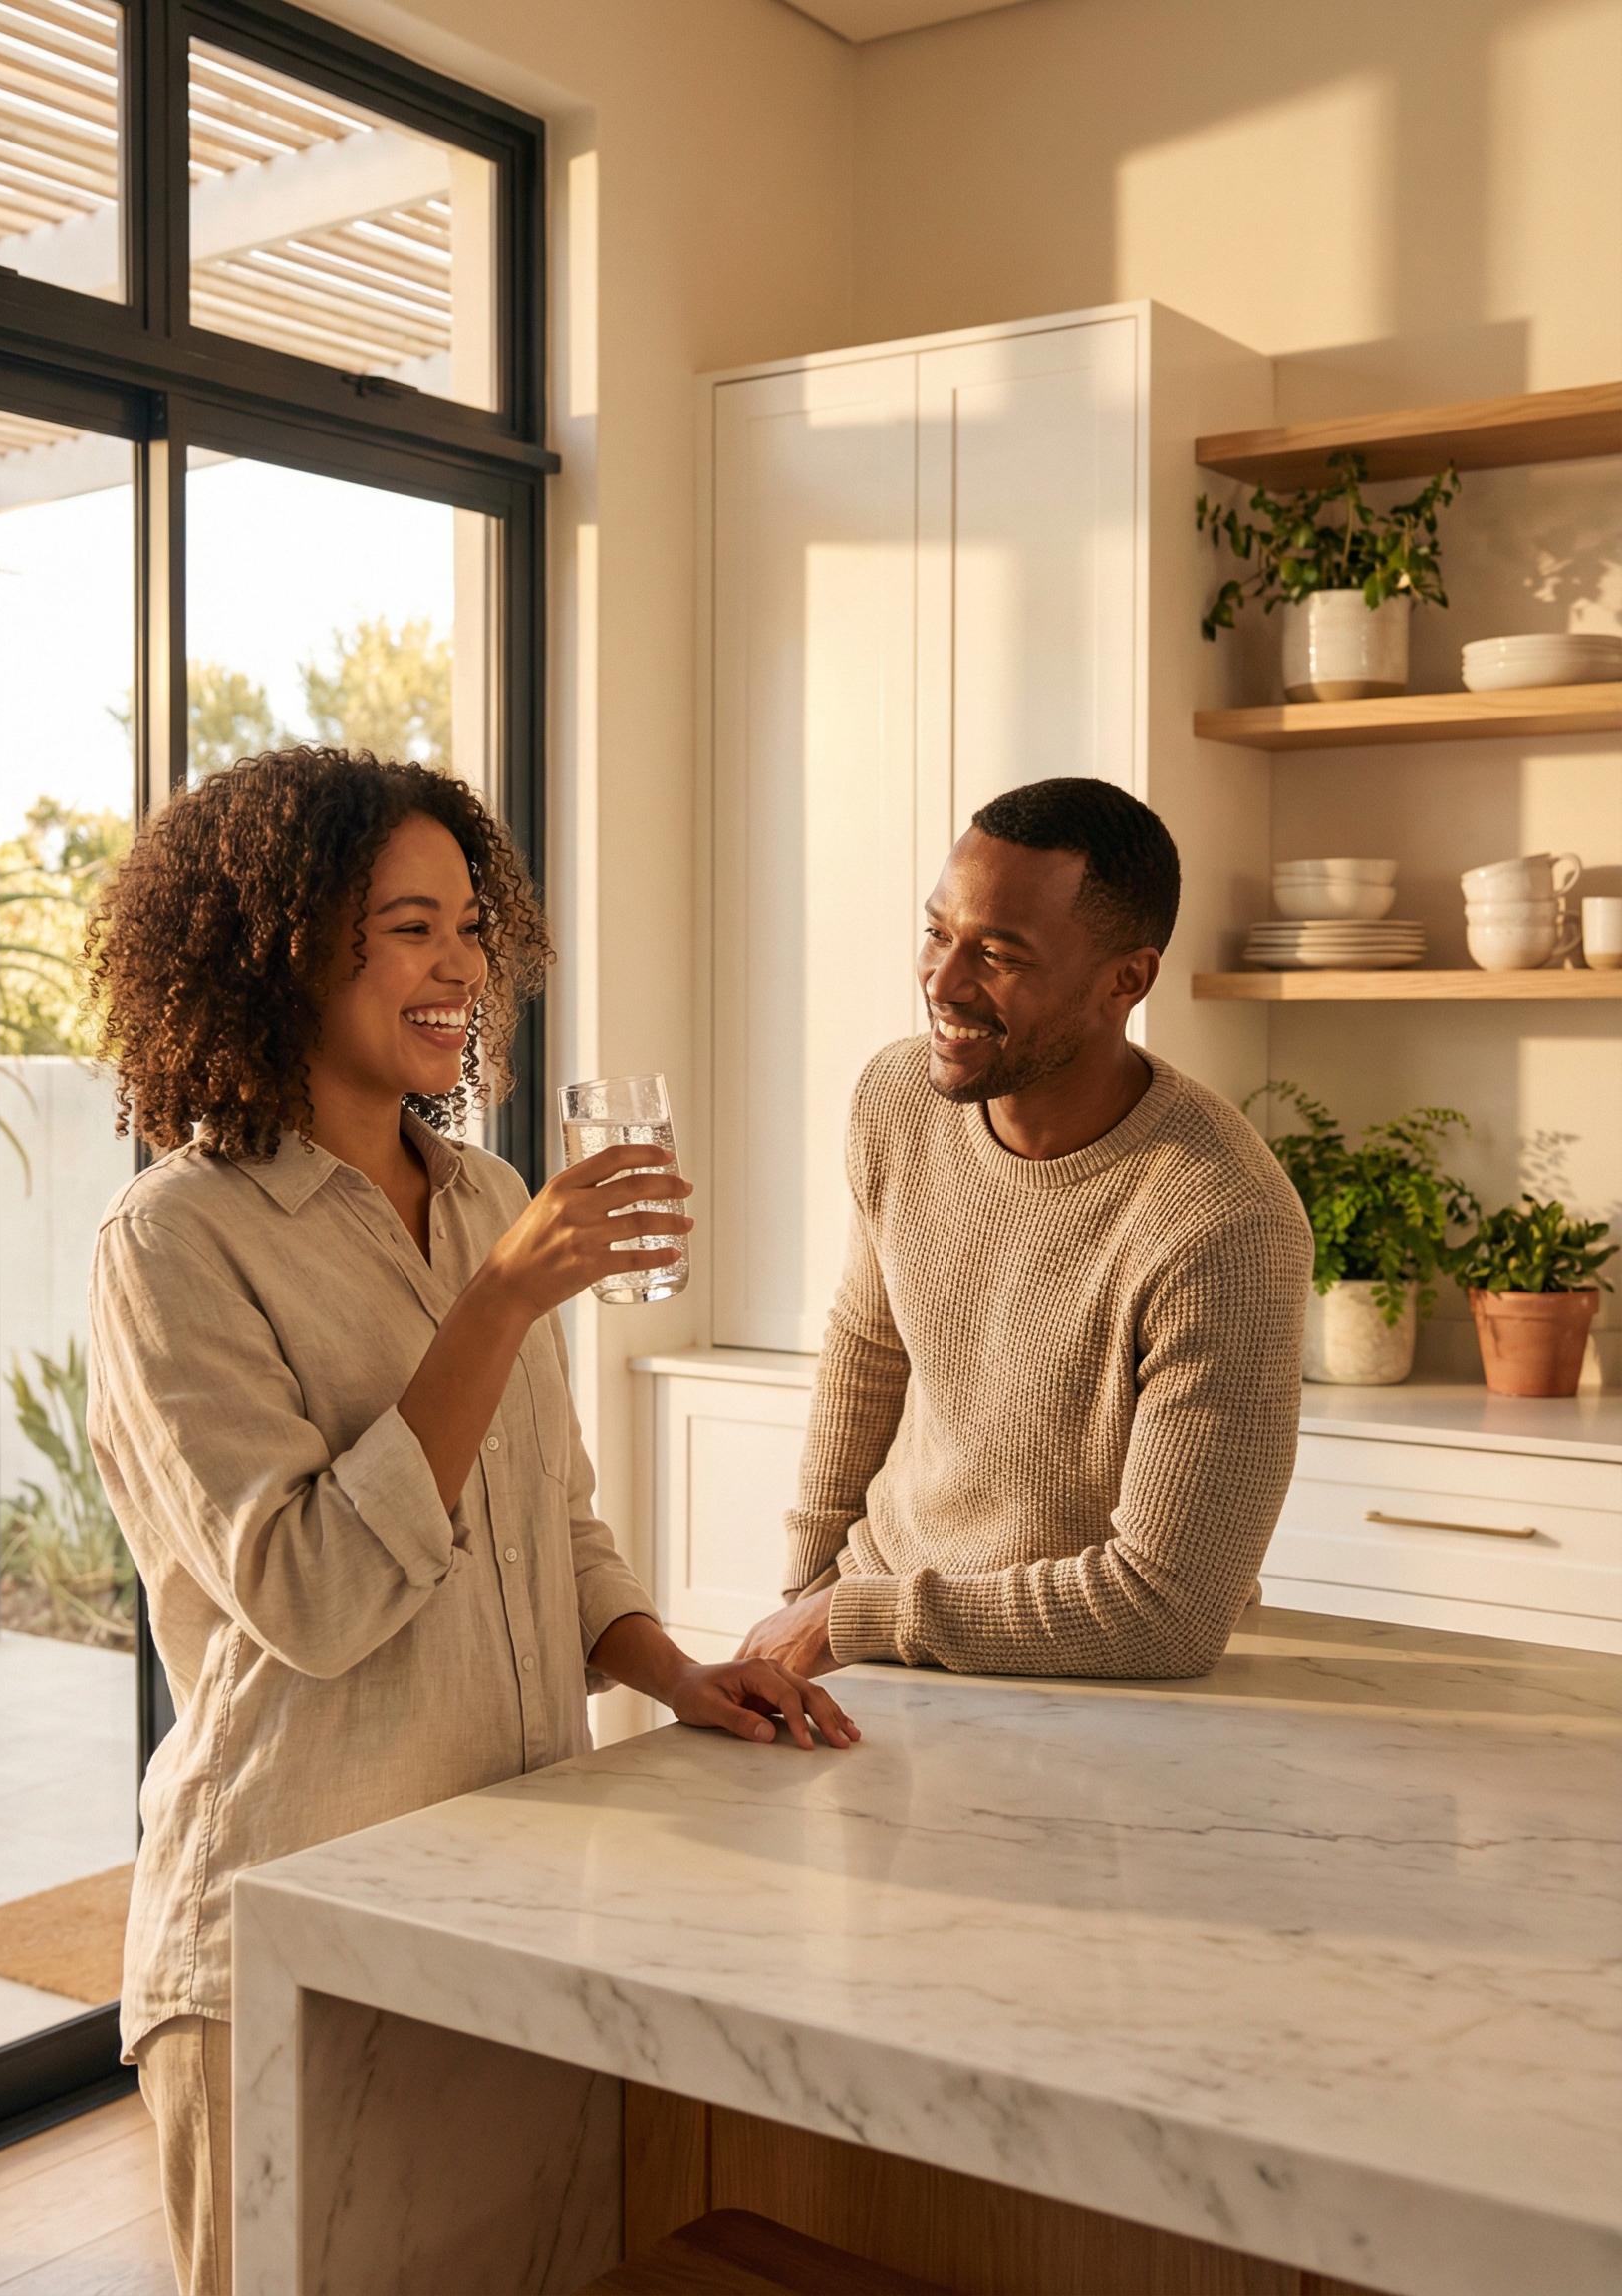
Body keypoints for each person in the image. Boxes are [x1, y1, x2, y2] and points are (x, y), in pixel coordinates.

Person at [86, 748, 856, 2296]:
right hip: (289, 1931)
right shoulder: (172, 1242)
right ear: (286, 946)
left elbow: (552, 1520)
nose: (459, 966)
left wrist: (674, 1672)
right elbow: (305, 1597)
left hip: (508, 1904)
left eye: (470, 926)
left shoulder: (491, 1185)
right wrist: (502, 1298)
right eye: (408, 927)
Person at [738, 777, 1312, 1683]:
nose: (944, 981)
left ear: (1127, 979)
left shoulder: (1222, 1218)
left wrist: (855, 1615)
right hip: (880, 1642)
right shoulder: (896, 1098)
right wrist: (810, 1589)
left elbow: (1167, 1615)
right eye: (937, 932)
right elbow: (869, 1346)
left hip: (1096, 1680)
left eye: (999, 953)